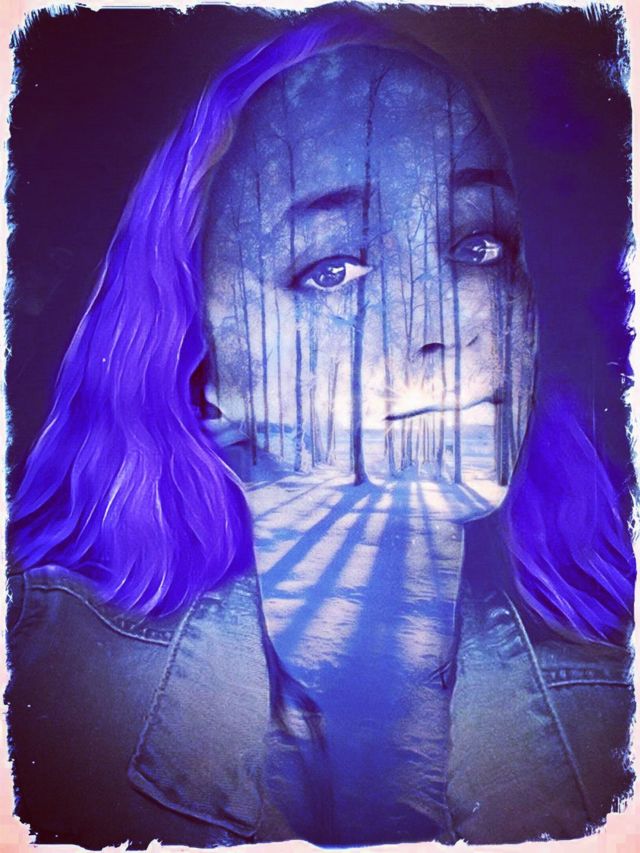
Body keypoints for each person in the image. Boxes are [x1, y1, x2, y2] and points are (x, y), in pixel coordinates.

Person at [6, 10, 635, 849]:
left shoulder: (618, 731)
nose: (439, 325)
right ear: (202, 371)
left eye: (478, 245)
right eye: (333, 268)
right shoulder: (40, 693)